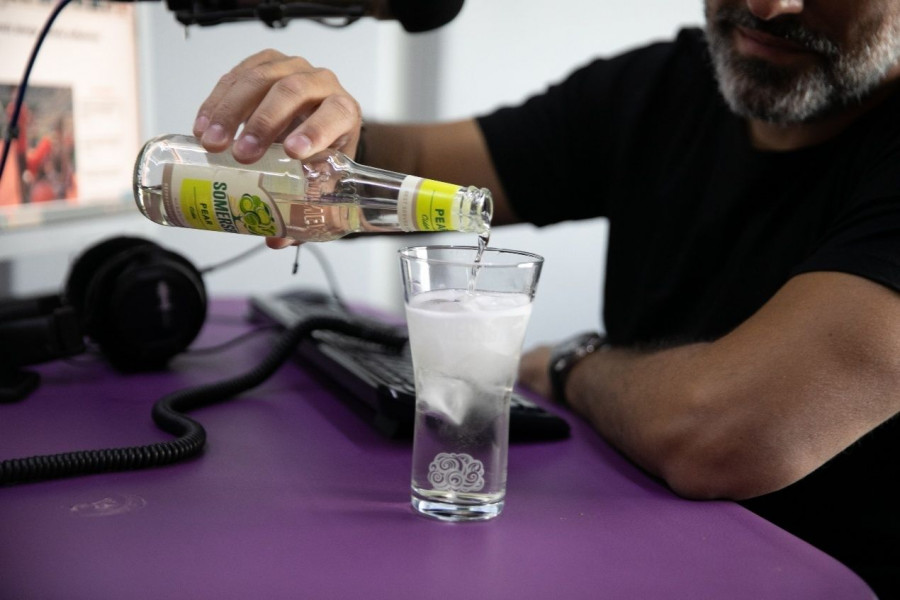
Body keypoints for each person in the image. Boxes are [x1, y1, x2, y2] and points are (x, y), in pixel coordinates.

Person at [191, 0, 900, 595]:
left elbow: (722, 436)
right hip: (626, 551)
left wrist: (567, 366)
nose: (769, 5)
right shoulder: (663, 87)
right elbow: (418, 170)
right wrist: (322, 140)